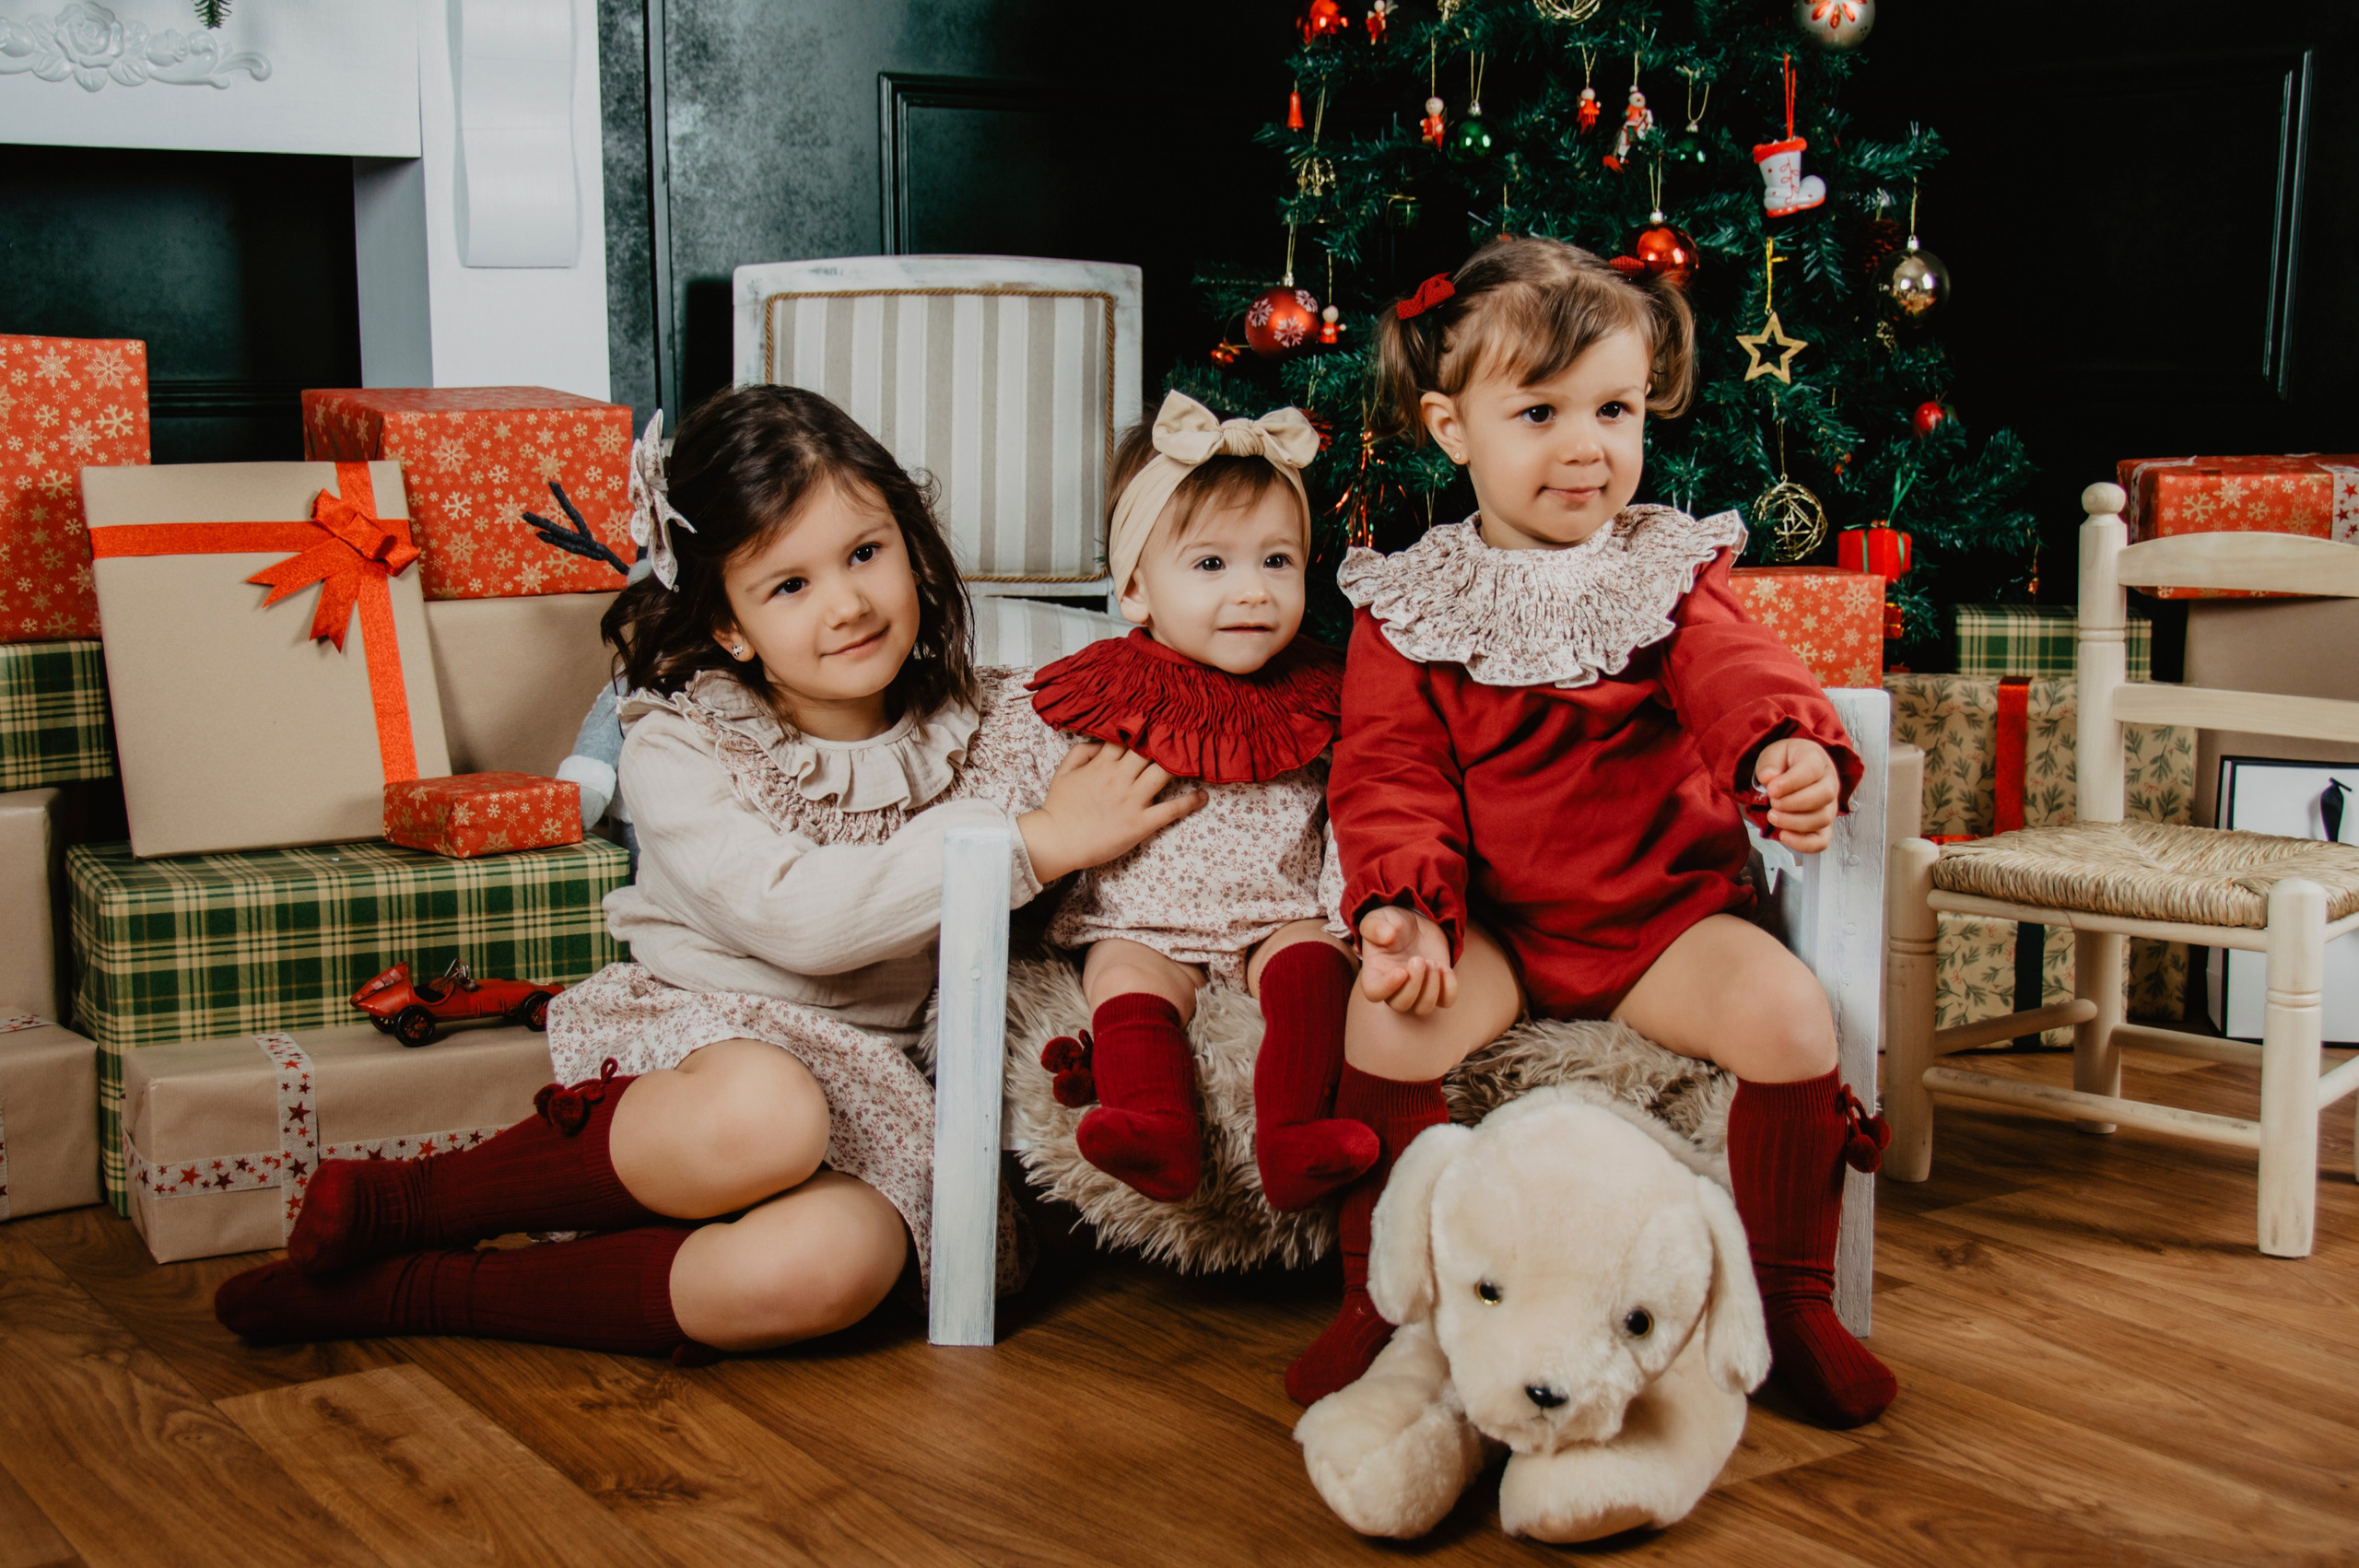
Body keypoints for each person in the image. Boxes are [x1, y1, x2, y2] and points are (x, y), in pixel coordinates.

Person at [215, 385, 1197, 1361]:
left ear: (909, 542)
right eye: (788, 585)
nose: (848, 603)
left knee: (833, 1265)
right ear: (728, 624)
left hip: (886, 1084)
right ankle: (416, 1205)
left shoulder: (984, 720)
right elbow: (800, 921)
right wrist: (1030, 843)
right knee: (766, 1112)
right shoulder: (683, 748)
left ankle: (426, 1290)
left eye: (865, 553)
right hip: (713, 1045)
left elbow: (1137, 737)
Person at [1297, 237, 1894, 1429]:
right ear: (1454, 426)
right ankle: (1392, 1301)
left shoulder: (1661, 568)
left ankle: (1788, 1301)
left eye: (1614, 408)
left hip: (1664, 918)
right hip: (1502, 922)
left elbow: (1737, 668)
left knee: (1789, 1015)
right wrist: (1401, 904)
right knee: (1387, 1013)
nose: (1588, 446)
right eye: (1540, 410)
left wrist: (1787, 749)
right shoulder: (1409, 601)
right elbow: (1389, 769)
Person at [1027, 392, 1366, 1211]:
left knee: (1313, 965)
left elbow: (1358, 807)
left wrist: (1350, 913)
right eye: (1212, 565)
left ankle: (1294, 1134)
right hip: (1145, 920)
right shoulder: (1103, 690)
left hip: (1277, 912)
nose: (1253, 592)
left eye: (1276, 562)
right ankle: (1154, 1127)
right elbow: (1031, 785)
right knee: (1125, 980)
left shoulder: (1327, 692)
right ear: (1138, 589)